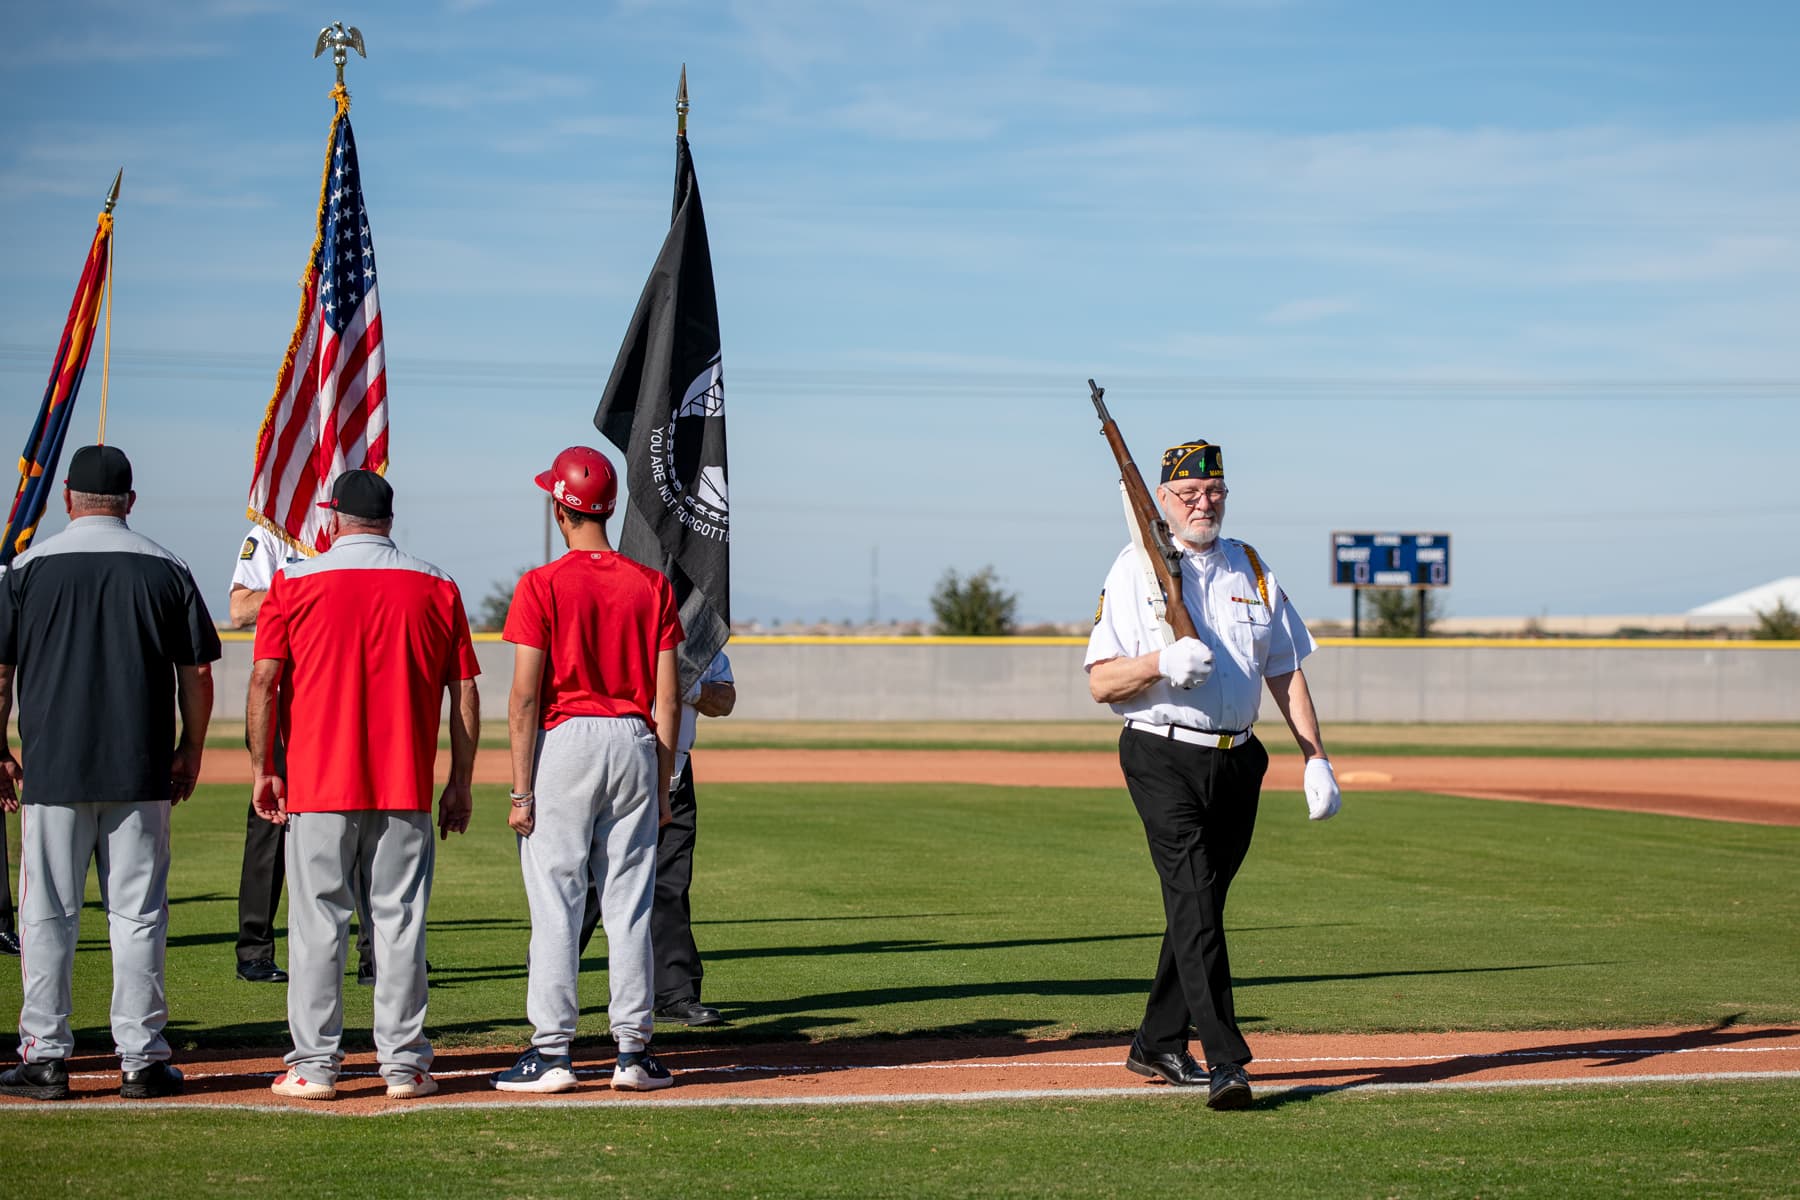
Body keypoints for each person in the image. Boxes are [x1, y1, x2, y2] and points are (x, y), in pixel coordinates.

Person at [1084, 436, 1341, 1111]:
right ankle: (1227, 1060)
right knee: (1195, 898)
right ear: (1160, 501)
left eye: (1214, 492)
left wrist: (1315, 755)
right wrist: (1158, 665)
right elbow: (1100, 683)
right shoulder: (1134, 570)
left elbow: (1284, 669)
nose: (1204, 503)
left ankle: (1157, 1041)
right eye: (1189, 494)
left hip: (1239, 759)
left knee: (1197, 908)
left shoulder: (1251, 568)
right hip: (1163, 753)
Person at [247, 469, 479, 1102]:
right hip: (404, 783)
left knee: (318, 923)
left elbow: (265, 680)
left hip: (318, 783)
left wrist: (262, 766)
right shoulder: (437, 584)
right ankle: (404, 1065)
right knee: (399, 923)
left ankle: (316, 1065)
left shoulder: (292, 580)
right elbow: (464, 690)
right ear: (389, 519)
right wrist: (459, 780)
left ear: (335, 519)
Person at [0, 445, 220, 1102]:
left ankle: (44, 1056)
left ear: (67, 497)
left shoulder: (26, 568)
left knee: (47, 915)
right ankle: (141, 1059)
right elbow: (198, 674)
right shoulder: (167, 566)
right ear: (130, 500)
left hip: (52, 771)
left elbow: (0, 673)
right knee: (138, 916)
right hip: (140, 768)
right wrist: (191, 748)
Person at [492, 446, 682, 1094]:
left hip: (566, 739)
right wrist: (662, 788)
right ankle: (633, 1053)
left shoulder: (541, 584)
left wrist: (521, 791)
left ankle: (551, 1054)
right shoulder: (650, 584)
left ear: (559, 507)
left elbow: (523, 696)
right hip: (633, 738)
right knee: (627, 902)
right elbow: (668, 698)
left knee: (557, 903)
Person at [227, 524, 376, 987]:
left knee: (367, 824)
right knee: (269, 829)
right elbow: (238, 610)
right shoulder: (269, 534)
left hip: (345, 694)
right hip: (286, 698)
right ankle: (255, 949)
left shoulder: (352, 533)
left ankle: (375, 952)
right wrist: (302, 586)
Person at [577, 648, 734, 1027]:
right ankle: (551, 978)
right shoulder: (622, 618)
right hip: (619, 763)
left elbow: (725, 699)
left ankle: (674, 994)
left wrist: (692, 690)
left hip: (676, 770)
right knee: (593, 881)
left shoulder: (700, 633)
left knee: (670, 883)